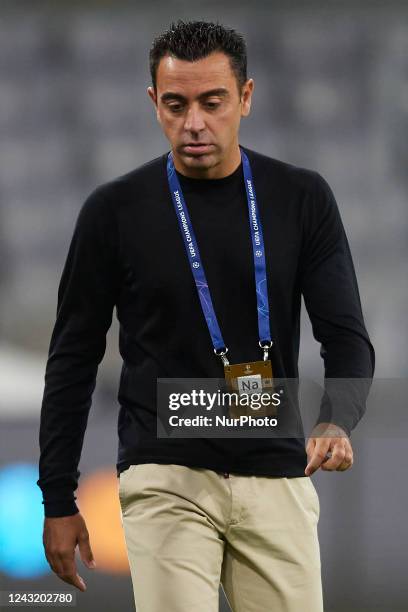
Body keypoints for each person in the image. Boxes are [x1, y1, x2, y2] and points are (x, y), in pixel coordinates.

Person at [38, 19, 375, 612]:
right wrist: (58, 499)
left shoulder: (301, 198)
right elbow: (72, 358)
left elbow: (347, 336)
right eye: (176, 104)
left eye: (212, 101)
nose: (193, 122)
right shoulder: (114, 211)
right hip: (164, 475)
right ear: (153, 103)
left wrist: (337, 419)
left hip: (276, 473)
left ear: (246, 97)